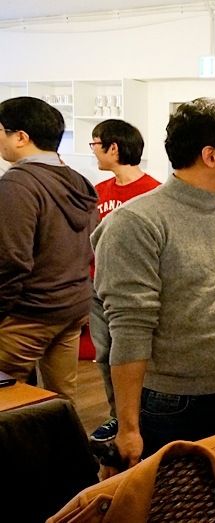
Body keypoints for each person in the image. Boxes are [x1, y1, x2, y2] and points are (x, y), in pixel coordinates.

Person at [91, 98, 215, 470]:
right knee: (176, 498)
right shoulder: (136, 223)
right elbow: (129, 329)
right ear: (210, 155)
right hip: (173, 402)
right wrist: (127, 426)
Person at [0, 96, 97, 403]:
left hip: (30, 313)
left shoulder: (17, 184)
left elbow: (11, 260)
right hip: (72, 305)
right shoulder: (79, 181)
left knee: (7, 399)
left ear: (20, 137)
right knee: (60, 399)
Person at [86, 118, 161, 447]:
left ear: (113, 148)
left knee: (136, 357)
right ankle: (118, 417)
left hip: (133, 293)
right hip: (97, 288)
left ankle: (141, 420)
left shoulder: (153, 192)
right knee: (105, 357)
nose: (93, 151)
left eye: (95, 143)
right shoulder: (97, 191)